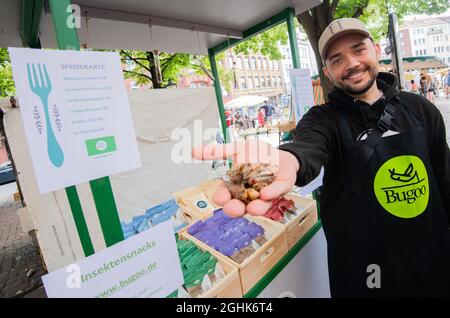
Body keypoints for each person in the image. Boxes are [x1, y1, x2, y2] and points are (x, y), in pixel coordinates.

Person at [193, 18, 450, 297]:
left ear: (376, 50)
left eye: (358, 50)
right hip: (367, 276)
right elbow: (307, 147)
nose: (351, 63)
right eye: (337, 59)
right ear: (327, 72)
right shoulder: (323, 120)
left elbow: (444, 182)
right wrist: (288, 159)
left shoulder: (420, 109)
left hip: (432, 263)